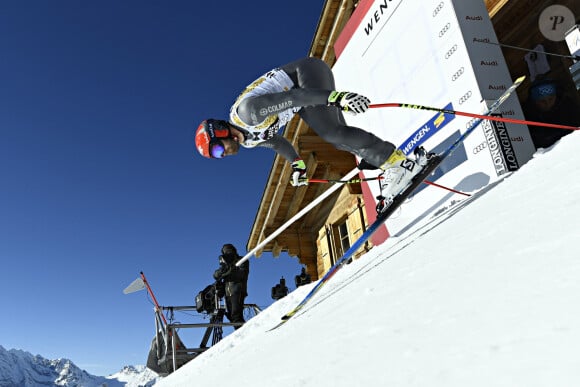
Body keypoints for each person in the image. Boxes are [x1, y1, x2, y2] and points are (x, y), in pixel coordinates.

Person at [194, 57, 429, 202]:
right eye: (217, 156)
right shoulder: (247, 140)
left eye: (217, 150)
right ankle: (387, 160)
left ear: (221, 133)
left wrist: (336, 98)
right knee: (337, 138)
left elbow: (295, 96)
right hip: (301, 100)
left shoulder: (248, 113)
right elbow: (277, 142)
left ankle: (398, 164)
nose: (222, 155)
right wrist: (297, 164)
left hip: (306, 75)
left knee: (331, 133)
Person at [523, 78, 580, 150]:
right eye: (542, 101)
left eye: (551, 99)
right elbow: (538, 141)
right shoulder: (530, 117)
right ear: (535, 103)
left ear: (556, 96)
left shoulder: (567, 105)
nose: (548, 103)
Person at [213, 243, 249, 329]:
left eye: (228, 251)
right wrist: (223, 269)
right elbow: (215, 275)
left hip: (238, 290)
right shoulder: (225, 264)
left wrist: (229, 269)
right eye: (225, 252)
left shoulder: (242, 260)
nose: (227, 253)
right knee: (231, 316)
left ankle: (244, 333)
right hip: (228, 293)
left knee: (236, 315)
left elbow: (241, 274)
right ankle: (240, 332)